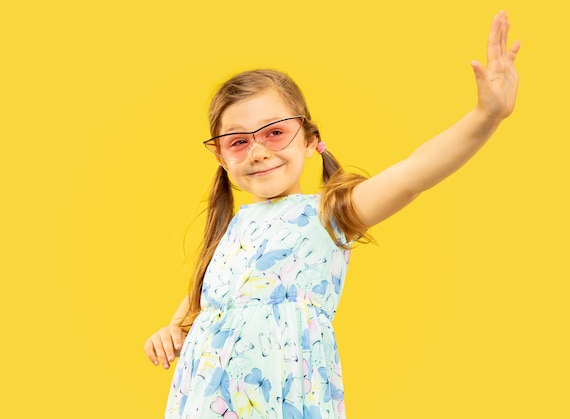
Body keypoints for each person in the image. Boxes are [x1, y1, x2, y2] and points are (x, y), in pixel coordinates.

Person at [144, 10, 520, 418]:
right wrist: (171, 330)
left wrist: (486, 116)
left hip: (286, 401)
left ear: (309, 141)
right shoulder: (231, 229)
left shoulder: (329, 214)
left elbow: (413, 174)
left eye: (275, 132)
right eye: (238, 141)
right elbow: (206, 302)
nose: (258, 150)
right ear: (220, 156)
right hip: (204, 403)